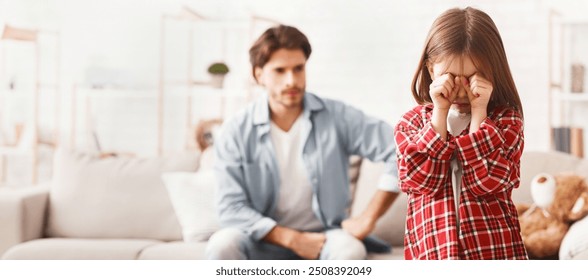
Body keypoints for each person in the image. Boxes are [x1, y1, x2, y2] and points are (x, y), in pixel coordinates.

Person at [206, 24, 399, 260]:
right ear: (259, 75)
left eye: (298, 69)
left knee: (349, 251)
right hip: (261, 237)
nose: (291, 80)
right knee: (222, 244)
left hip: (325, 237)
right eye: (280, 70)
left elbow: (401, 149)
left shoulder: (338, 117)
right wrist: (292, 239)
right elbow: (230, 207)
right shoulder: (235, 131)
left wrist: (368, 218)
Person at [394, 7, 528, 260]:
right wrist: (440, 112)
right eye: (450, 76)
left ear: (493, 72)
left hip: (494, 253)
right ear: (431, 70)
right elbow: (420, 181)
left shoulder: (507, 121)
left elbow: (487, 183)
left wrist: (479, 111)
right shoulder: (410, 123)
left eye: (475, 77)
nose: (462, 88)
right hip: (433, 255)